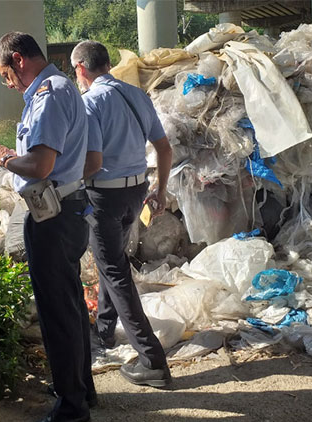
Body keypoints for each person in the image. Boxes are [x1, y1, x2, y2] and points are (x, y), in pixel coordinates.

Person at [0, 32, 95, 422]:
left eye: (5, 74)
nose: (7, 83)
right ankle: (81, 388)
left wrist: (5, 158)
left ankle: (71, 409)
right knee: (70, 304)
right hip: (70, 207)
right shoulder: (66, 89)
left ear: (18, 59)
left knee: (56, 311)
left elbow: (42, 163)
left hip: (51, 215)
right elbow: (91, 158)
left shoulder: (48, 93)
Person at [71, 40, 174, 387]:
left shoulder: (90, 103)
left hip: (105, 197)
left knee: (114, 271)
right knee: (110, 260)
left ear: (81, 69)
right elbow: (164, 147)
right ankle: (103, 331)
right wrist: (159, 192)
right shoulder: (137, 95)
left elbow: (94, 162)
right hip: (136, 193)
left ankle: (152, 361)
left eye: (75, 72)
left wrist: (66, 179)